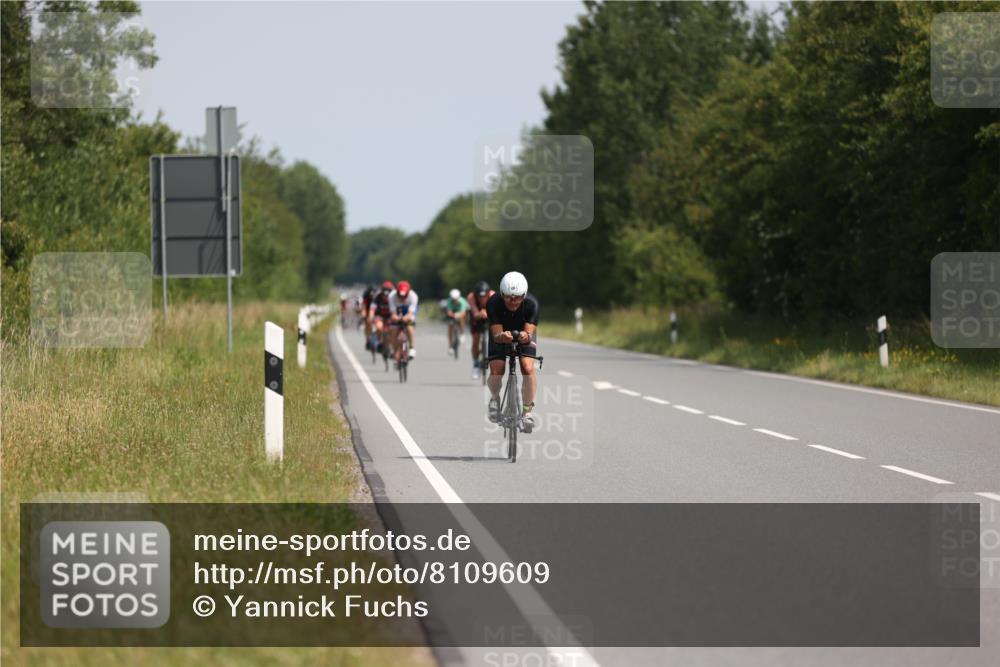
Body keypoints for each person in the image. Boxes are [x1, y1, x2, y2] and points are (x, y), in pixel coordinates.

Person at [485, 271, 539, 432]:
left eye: (517, 297)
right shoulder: (493, 302)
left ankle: (527, 412)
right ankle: (495, 398)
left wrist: (525, 336)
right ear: (501, 294)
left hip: (524, 333)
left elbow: (530, 332)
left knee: (528, 368)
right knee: (497, 369)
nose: (513, 301)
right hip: (500, 334)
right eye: (508, 297)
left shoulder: (532, 303)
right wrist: (502, 336)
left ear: (524, 295)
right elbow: (496, 333)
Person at [466, 280, 495, 380]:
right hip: (477, 316)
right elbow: (474, 311)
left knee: (495, 335)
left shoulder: (493, 295)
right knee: (476, 338)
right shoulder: (471, 297)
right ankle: (476, 364)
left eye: (484, 296)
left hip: (490, 314)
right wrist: (479, 314)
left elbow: (495, 311)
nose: (482, 299)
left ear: (488, 294)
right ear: (476, 295)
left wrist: (487, 312)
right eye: (479, 296)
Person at [388, 280, 419, 362]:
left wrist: (406, 318)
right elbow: (393, 313)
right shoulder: (392, 296)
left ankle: (412, 348)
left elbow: (411, 313)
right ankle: (394, 349)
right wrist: (396, 318)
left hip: (408, 311)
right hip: (397, 311)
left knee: (409, 327)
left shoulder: (413, 296)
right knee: (393, 329)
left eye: (404, 296)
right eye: (400, 296)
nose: (402, 298)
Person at [368, 281, 394, 353]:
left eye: (389, 290)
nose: (386, 293)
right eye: (385, 290)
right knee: (379, 327)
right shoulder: (377, 297)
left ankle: (388, 345)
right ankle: (379, 341)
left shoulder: (394, 297)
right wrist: (371, 316)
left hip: (390, 316)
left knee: (392, 329)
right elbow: (372, 309)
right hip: (379, 316)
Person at [444, 288, 469, 353]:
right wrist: (453, 315)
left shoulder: (462, 301)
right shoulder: (449, 301)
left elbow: (463, 312)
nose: (454, 301)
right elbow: (448, 312)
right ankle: (450, 346)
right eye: (453, 299)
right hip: (452, 314)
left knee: (461, 319)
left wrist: (458, 315)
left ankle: (462, 333)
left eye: (456, 299)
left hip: (460, 313)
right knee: (450, 327)